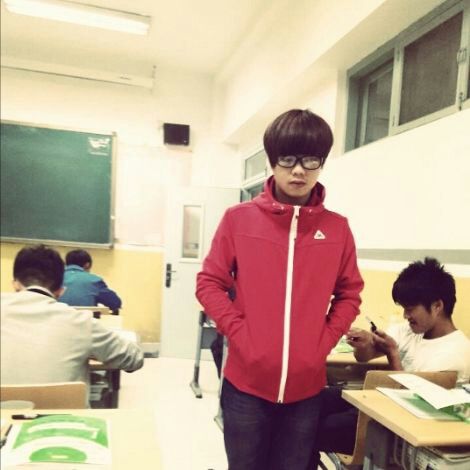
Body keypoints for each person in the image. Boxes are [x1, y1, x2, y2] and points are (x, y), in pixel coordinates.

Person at [196, 109, 364, 470]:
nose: (299, 170)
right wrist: (239, 333)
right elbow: (209, 282)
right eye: (287, 159)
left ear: (322, 162)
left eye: (310, 159)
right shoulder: (238, 219)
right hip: (245, 387)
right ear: (272, 162)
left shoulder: (337, 229)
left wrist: (323, 341)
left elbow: (350, 293)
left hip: (306, 392)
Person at [312, 257, 470, 467]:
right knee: (309, 401)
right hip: (377, 406)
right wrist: (365, 344)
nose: (405, 315)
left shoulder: (454, 354)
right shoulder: (411, 331)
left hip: (395, 427)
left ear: (437, 306)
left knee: (312, 428)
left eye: (410, 308)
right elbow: (364, 357)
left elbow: (409, 407)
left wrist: (393, 354)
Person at [1, 245, 144, 393]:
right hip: (61, 407)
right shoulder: (82, 323)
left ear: (15, 284)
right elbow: (134, 359)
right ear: (60, 291)